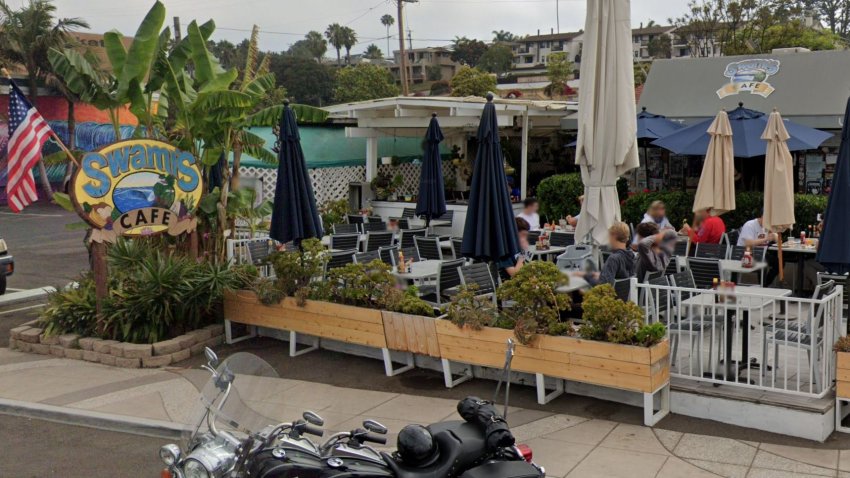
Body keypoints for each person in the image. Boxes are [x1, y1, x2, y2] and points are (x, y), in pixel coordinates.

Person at [581, 222, 635, 286]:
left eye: (609, 236)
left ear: (614, 236)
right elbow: (615, 277)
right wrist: (599, 275)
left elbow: (604, 285)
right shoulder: (630, 256)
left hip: (605, 294)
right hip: (623, 294)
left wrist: (586, 278)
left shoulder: (614, 259)